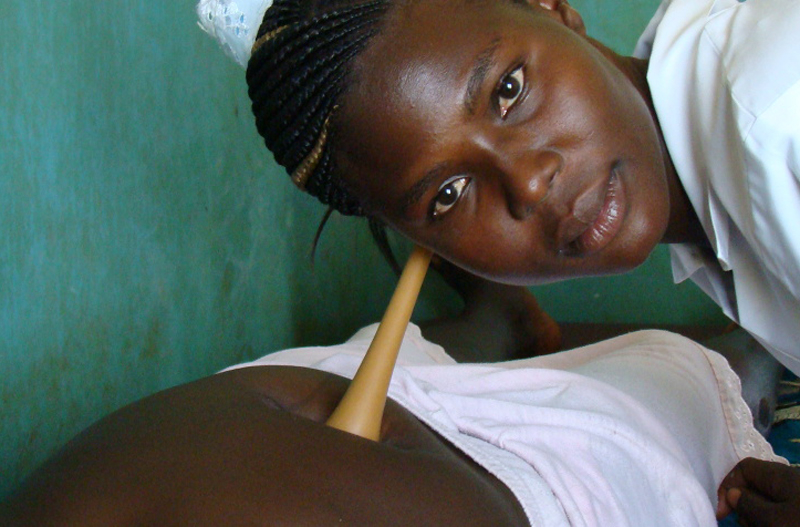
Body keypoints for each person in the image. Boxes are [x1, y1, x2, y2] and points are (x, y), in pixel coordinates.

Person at [196, 0, 800, 521]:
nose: (529, 183)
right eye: (448, 195)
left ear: (550, 4)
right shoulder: (720, 209)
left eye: (509, 90)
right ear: (424, 245)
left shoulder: (780, 119)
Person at [0, 295, 786, 526]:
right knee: (692, 369)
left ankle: (499, 323)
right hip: (561, 483)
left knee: (400, 341)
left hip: (284, 393)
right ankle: (754, 352)